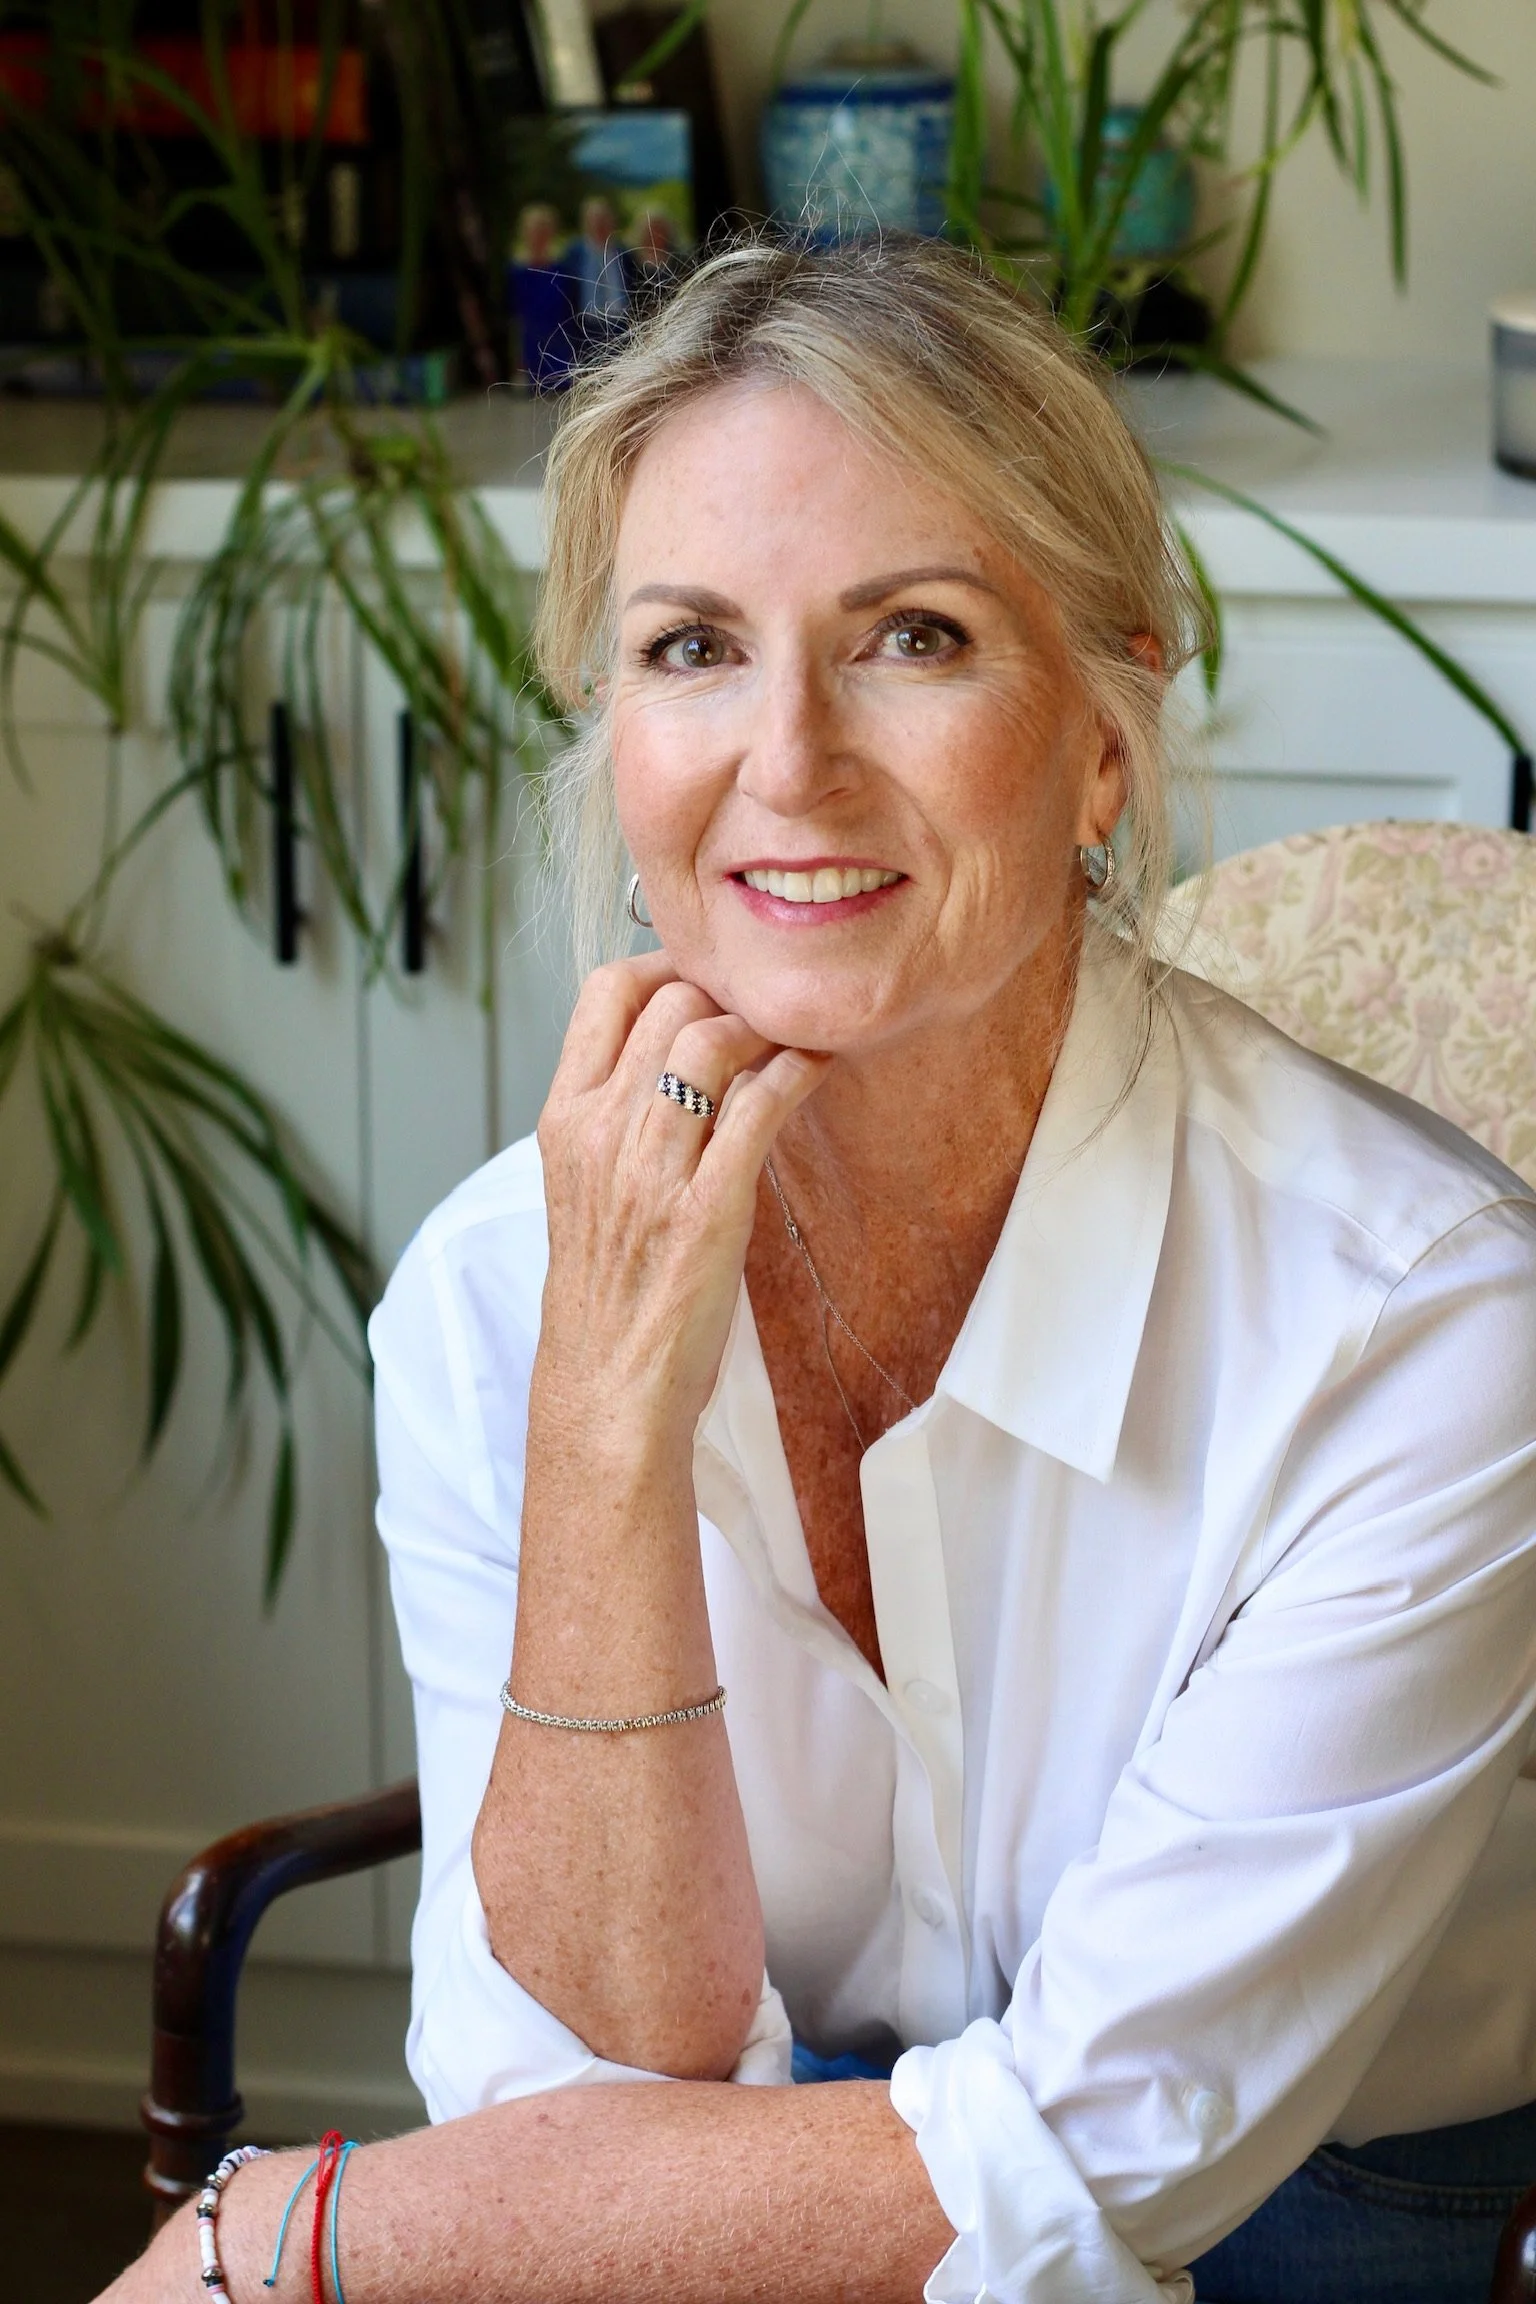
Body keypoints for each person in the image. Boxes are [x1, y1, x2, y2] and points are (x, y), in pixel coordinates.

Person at [104, 235, 1536, 2304]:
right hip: (711, 2177)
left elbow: (1095, 2163)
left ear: (1105, 738)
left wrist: (309, 2223)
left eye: (915, 638)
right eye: (691, 648)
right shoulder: (501, 1292)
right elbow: (579, 2079)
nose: (788, 760)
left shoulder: (1420, 1328)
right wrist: (610, 1411)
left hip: (1331, 2219)